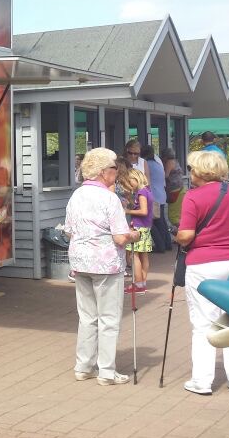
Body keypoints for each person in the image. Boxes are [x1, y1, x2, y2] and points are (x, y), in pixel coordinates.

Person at [175, 150, 229, 395]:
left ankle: (202, 381)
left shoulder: (193, 196)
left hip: (203, 263)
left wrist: (178, 238)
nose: (190, 174)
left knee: (203, 322)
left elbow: (186, 235)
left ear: (200, 172)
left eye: (192, 169)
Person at [63, 148, 140, 386]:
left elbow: (68, 231)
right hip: (106, 264)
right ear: (103, 171)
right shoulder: (109, 198)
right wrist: (134, 235)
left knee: (87, 317)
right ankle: (106, 371)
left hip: (80, 261)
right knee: (108, 318)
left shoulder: (76, 195)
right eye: (114, 168)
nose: (117, 172)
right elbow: (120, 237)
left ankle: (83, 366)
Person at [121, 168, 154, 294]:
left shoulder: (141, 192)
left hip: (139, 227)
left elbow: (143, 211)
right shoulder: (147, 191)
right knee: (143, 255)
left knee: (134, 255)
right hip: (145, 227)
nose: (130, 185)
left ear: (136, 178)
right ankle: (142, 282)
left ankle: (138, 283)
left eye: (130, 182)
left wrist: (127, 211)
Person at [142, 144, 170, 252]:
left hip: (153, 196)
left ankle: (160, 245)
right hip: (161, 194)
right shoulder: (158, 164)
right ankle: (167, 244)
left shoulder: (146, 164)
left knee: (152, 222)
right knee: (161, 222)